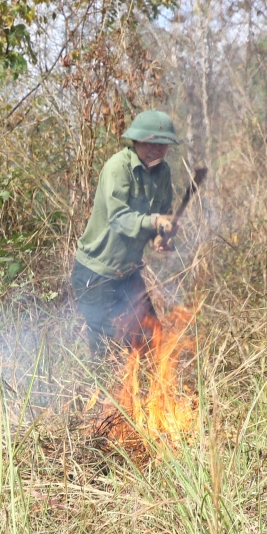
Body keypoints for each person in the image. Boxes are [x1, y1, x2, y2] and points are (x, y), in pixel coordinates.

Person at [71, 109, 179, 353]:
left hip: (128, 275)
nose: (156, 149)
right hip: (95, 274)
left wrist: (161, 237)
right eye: (149, 143)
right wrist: (155, 222)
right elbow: (119, 218)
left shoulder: (163, 172)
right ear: (135, 140)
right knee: (105, 348)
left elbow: (163, 214)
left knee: (151, 338)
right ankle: (96, 390)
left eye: (162, 144)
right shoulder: (117, 168)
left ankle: (150, 391)